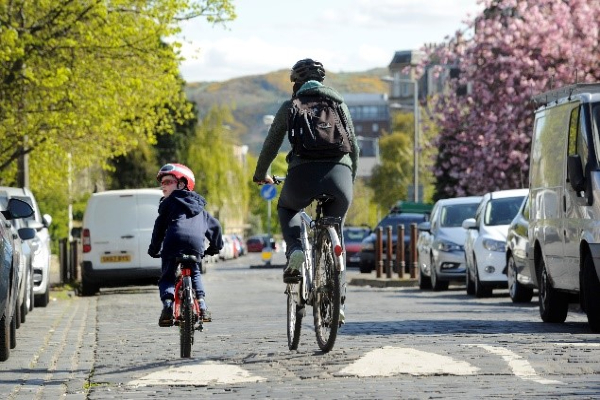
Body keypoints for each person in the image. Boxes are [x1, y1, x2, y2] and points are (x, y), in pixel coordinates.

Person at [252, 58, 358, 319]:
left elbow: (272, 143)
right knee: (337, 229)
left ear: (295, 83)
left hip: (302, 174)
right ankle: (338, 302)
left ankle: (296, 249)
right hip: (340, 175)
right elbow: (353, 145)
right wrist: (349, 178)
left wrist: (260, 174)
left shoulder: (291, 106)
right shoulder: (338, 103)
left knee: (288, 207)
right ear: (322, 81)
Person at [148, 163, 223, 327]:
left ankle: (167, 306)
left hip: (173, 242)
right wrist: (214, 248)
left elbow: (159, 229)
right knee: (195, 273)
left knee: (167, 276)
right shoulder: (201, 208)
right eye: (162, 183)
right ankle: (202, 306)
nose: (163, 186)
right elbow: (215, 227)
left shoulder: (168, 203)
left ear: (182, 184)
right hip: (196, 245)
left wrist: (154, 249)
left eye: (168, 182)